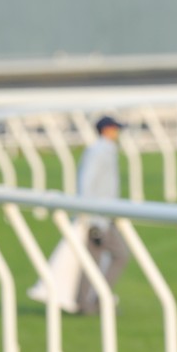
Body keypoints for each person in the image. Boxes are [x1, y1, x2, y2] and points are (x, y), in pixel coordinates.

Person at [74, 115, 127, 315]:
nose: (118, 133)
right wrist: (92, 219)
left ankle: (86, 303)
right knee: (120, 255)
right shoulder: (98, 151)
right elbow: (87, 184)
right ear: (107, 130)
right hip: (98, 218)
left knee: (93, 260)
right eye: (116, 129)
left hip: (101, 216)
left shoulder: (104, 150)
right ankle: (95, 301)